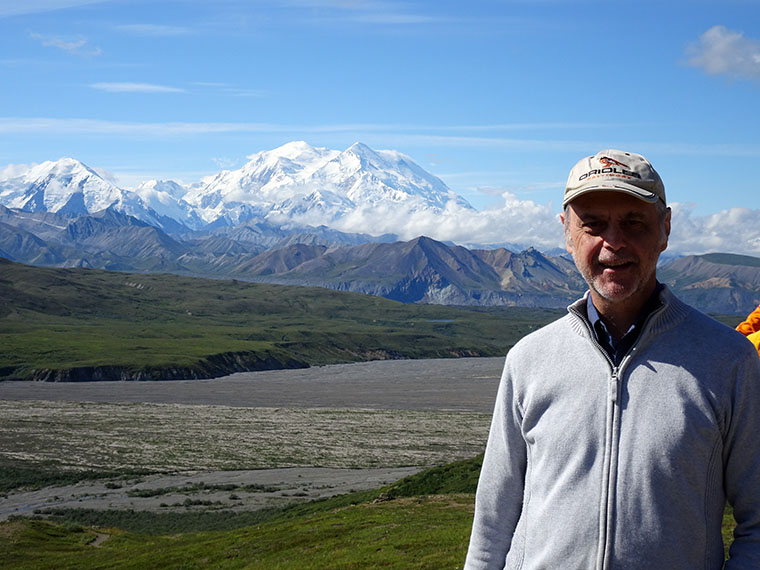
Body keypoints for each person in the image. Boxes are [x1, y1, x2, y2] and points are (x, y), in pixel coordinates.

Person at [464, 149, 760, 569]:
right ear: (567, 231)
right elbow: (493, 523)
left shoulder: (729, 361)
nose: (614, 242)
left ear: (666, 228)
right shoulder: (528, 359)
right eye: (593, 224)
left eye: (633, 222)